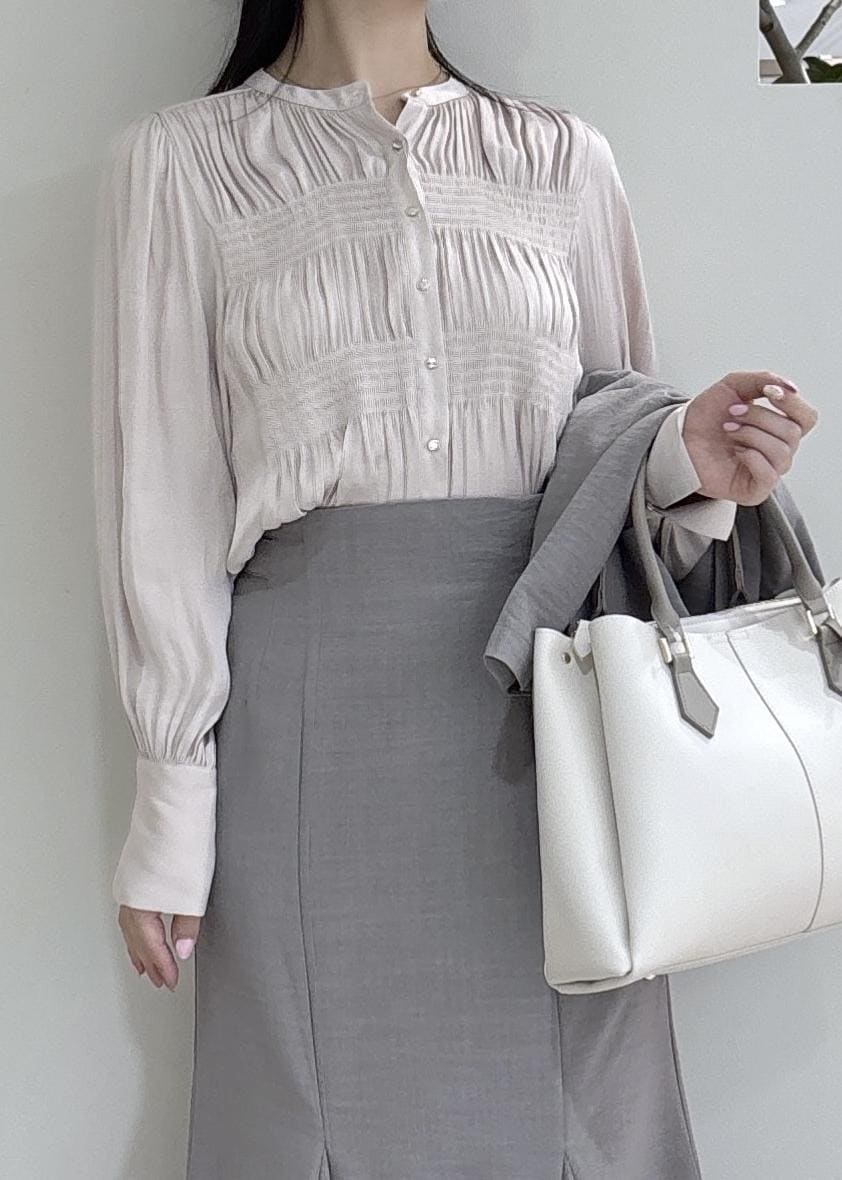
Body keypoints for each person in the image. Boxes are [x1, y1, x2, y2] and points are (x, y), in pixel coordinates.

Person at [90, 2, 818, 1176]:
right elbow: (163, 499)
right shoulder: (181, 162)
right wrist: (171, 808)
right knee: (310, 1107)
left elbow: (604, 437)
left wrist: (684, 458)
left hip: (551, 729)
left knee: (579, 1103)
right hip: (310, 736)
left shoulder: (560, 156)